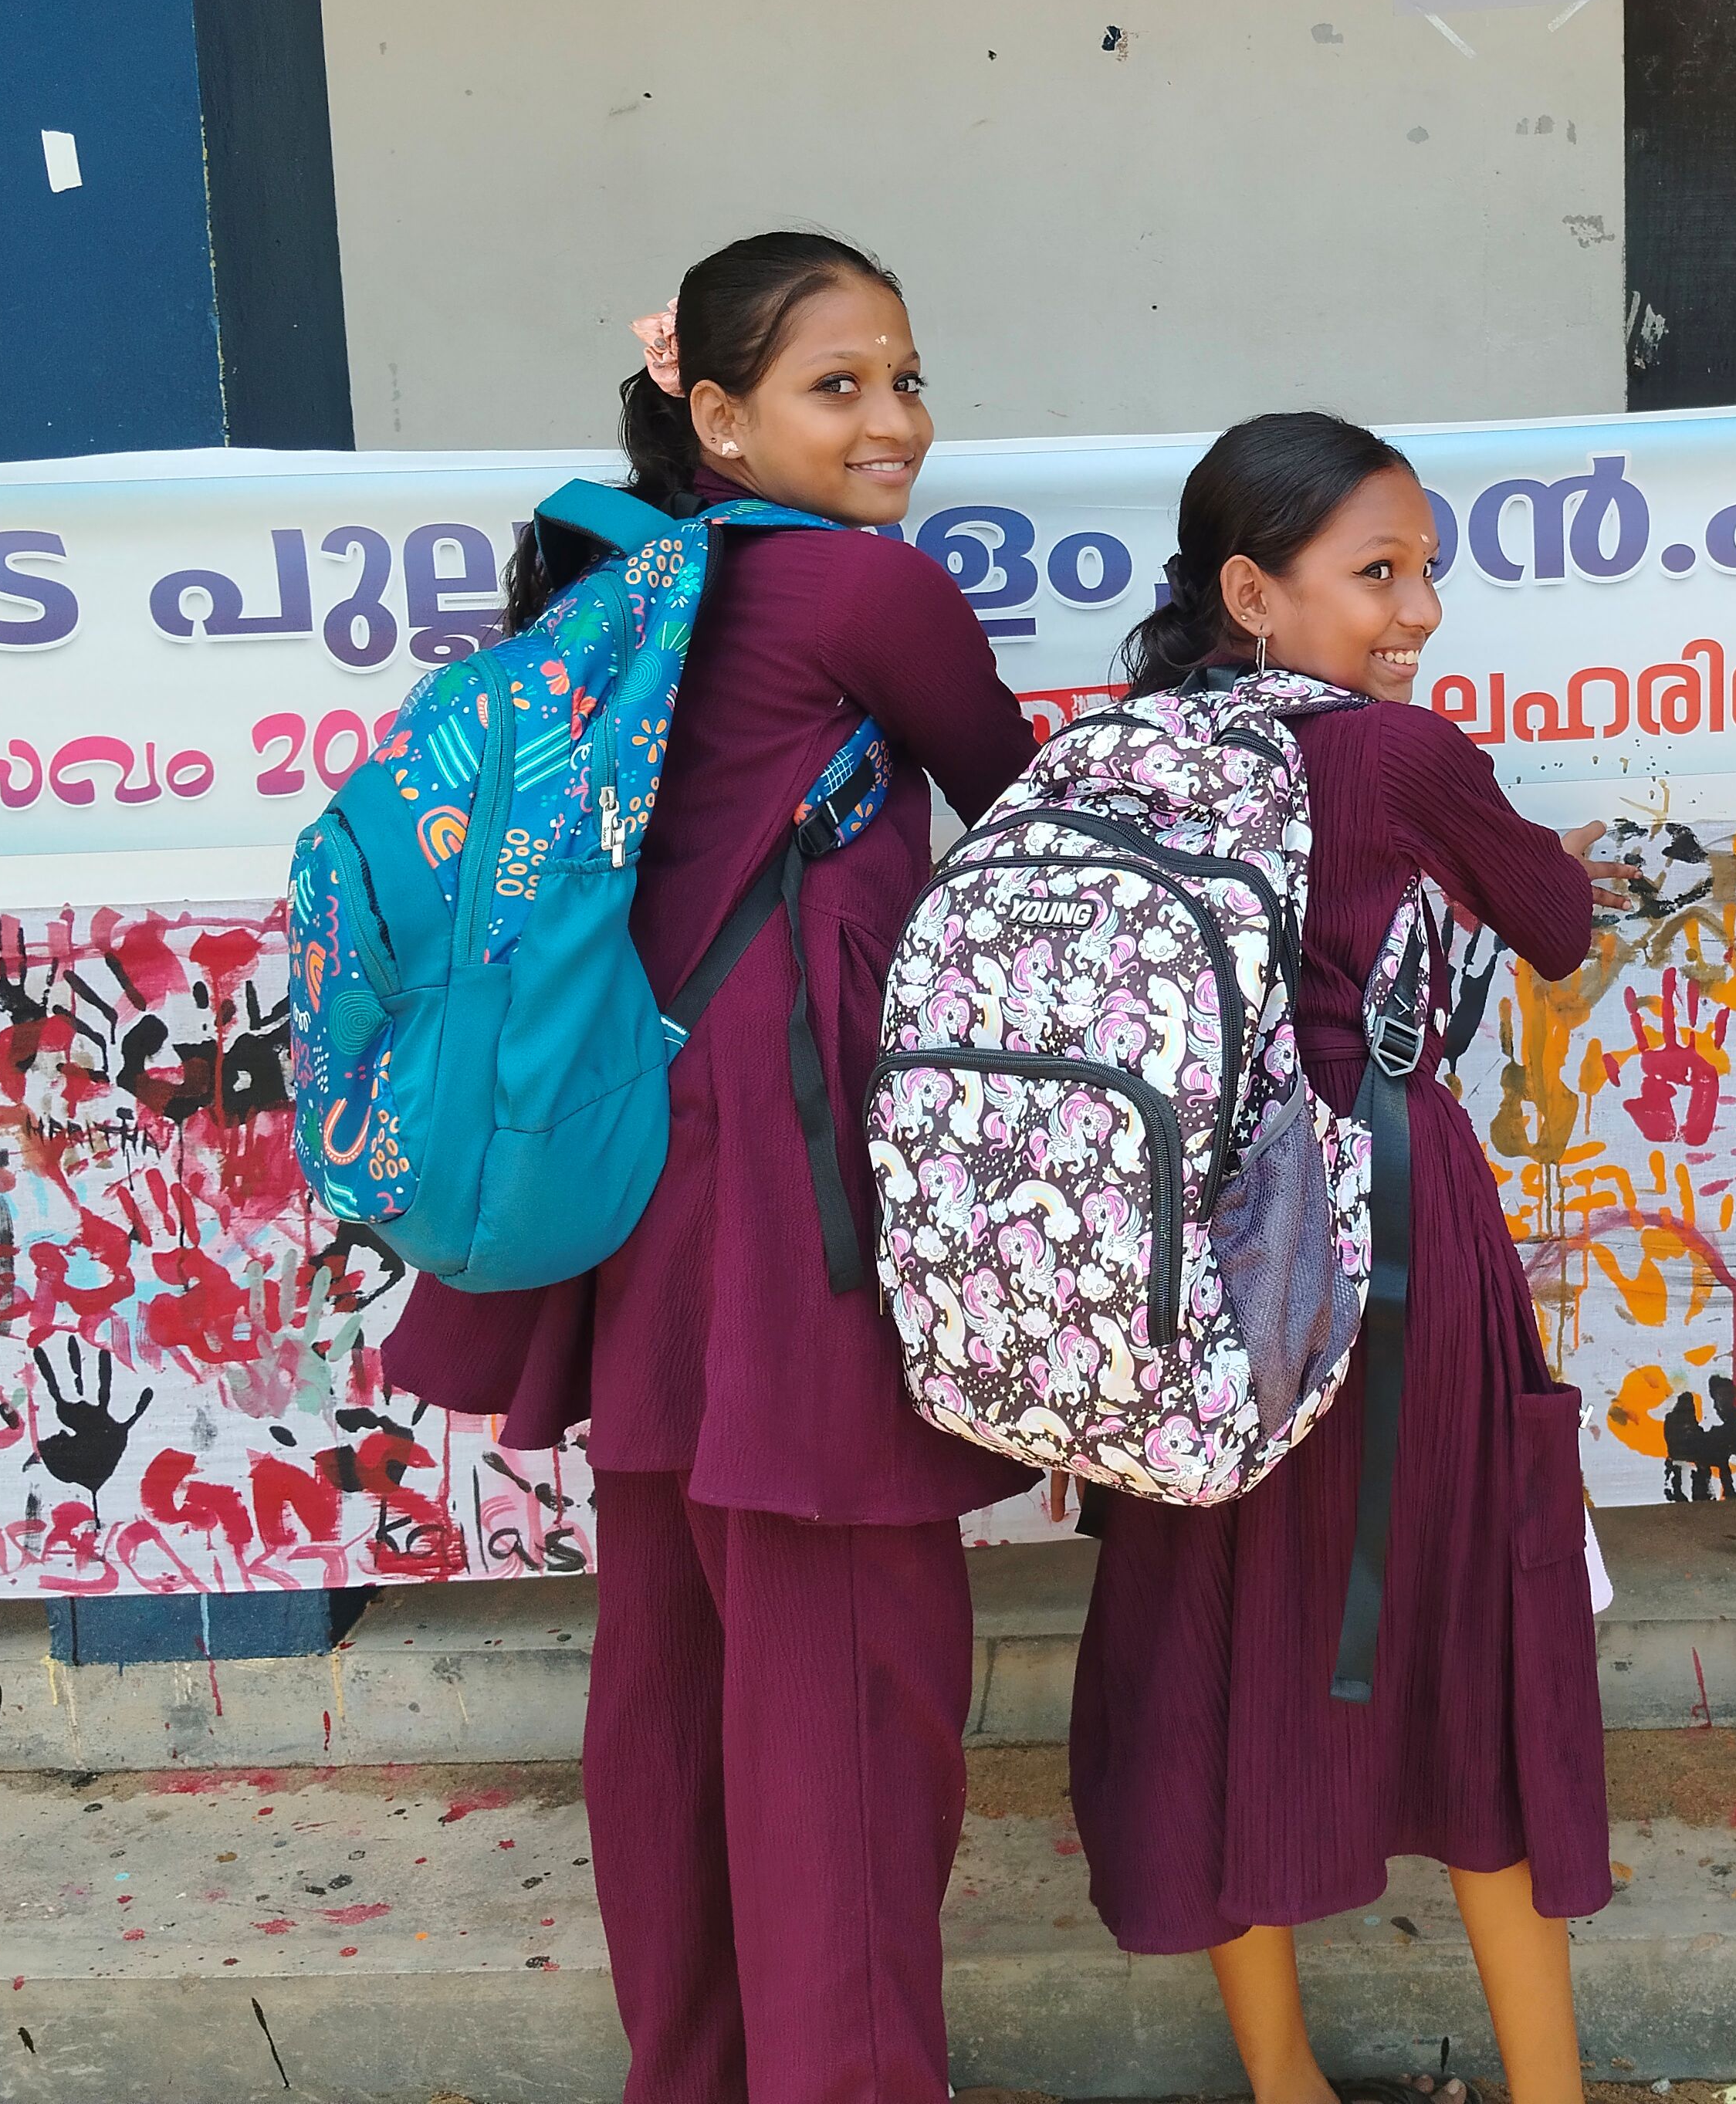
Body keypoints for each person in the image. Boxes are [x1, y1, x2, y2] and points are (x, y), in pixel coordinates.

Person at [381, 231, 1039, 2104]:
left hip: (633, 1172)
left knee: (671, 1667)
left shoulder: (621, 582)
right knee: (849, 1682)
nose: (895, 421)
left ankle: (694, 2072)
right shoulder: (862, 590)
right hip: (793, 1189)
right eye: (841, 386)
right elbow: (1024, 812)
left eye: (906, 378)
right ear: (721, 416)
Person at [1068, 412, 1616, 2104]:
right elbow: (1557, 923)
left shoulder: (1120, 748)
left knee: (1222, 1649)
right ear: (1253, 591)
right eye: (1380, 572)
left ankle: (1285, 2082)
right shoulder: (1389, 756)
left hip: (1182, 1259)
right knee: (1469, 1645)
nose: (1420, 612)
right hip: (1382, 1240)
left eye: (1428, 570)